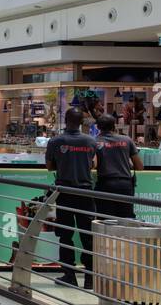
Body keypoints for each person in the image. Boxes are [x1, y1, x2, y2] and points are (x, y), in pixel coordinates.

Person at [45, 107, 97, 289]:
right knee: (88, 236)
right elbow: (93, 164)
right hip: (85, 194)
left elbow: (50, 166)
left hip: (64, 193)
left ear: (65, 120)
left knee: (65, 235)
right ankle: (90, 278)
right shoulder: (91, 141)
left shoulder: (55, 141)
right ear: (81, 122)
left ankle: (69, 275)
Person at [94, 114, 142, 220]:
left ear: (98, 127)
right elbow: (139, 166)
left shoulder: (94, 142)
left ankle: (107, 237)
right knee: (126, 219)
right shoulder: (127, 140)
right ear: (114, 126)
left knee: (104, 219)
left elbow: (94, 165)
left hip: (105, 184)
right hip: (125, 185)